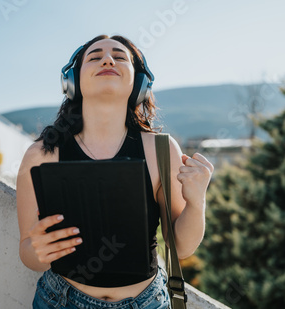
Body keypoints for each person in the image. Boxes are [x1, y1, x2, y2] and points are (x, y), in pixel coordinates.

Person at [16, 34, 214, 308]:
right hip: (59, 300)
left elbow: (180, 247)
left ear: (139, 84)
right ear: (72, 82)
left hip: (147, 302)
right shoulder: (41, 155)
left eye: (120, 57)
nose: (108, 59)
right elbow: (27, 252)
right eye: (95, 57)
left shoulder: (161, 150)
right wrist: (38, 250)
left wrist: (197, 201)